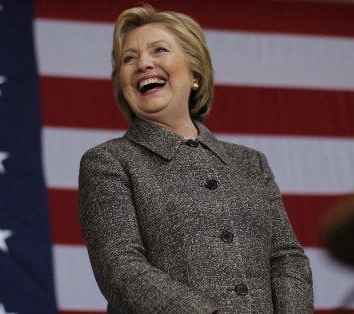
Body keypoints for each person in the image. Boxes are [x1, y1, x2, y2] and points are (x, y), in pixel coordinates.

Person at [78, 4, 314, 313]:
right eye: (129, 58)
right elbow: (121, 269)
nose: (143, 64)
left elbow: (287, 258)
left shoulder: (250, 162)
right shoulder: (108, 162)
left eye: (158, 50)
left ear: (194, 73)